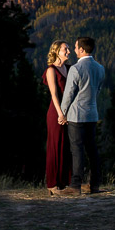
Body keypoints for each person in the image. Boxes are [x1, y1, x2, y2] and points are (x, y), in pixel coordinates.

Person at [58, 36, 107, 194]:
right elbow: (98, 90)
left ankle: (75, 186)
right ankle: (95, 185)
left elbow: (69, 94)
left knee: (77, 150)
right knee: (92, 150)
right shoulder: (100, 68)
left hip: (76, 115)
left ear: (82, 50)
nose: (74, 50)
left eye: (76, 47)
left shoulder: (76, 69)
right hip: (92, 114)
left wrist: (62, 113)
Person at [42, 40, 73, 195]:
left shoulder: (69, 68)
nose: (68, 51)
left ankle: (63, 182)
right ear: (56, 51)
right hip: (56, 112)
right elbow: (54, 94)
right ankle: (52, 184)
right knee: (55, 145)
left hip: (68, 112)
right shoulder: (51, 70)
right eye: (65, 49)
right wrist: (60, 113)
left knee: (66, 146)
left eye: (68, 49)